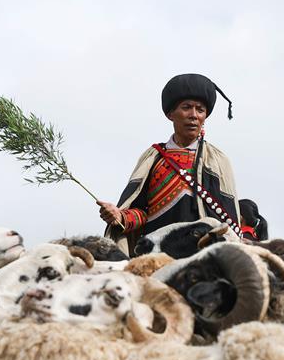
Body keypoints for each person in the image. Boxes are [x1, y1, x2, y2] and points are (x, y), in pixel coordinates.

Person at [98, 73, 241, 256]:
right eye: (186, 107)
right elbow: (142, 212)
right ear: (170, 114)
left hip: (203, 257)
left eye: (200, 110)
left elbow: (228, 224)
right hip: (157, 255)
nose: (194, 115)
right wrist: (120, 217)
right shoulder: (153, 158)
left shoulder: (218, 161)